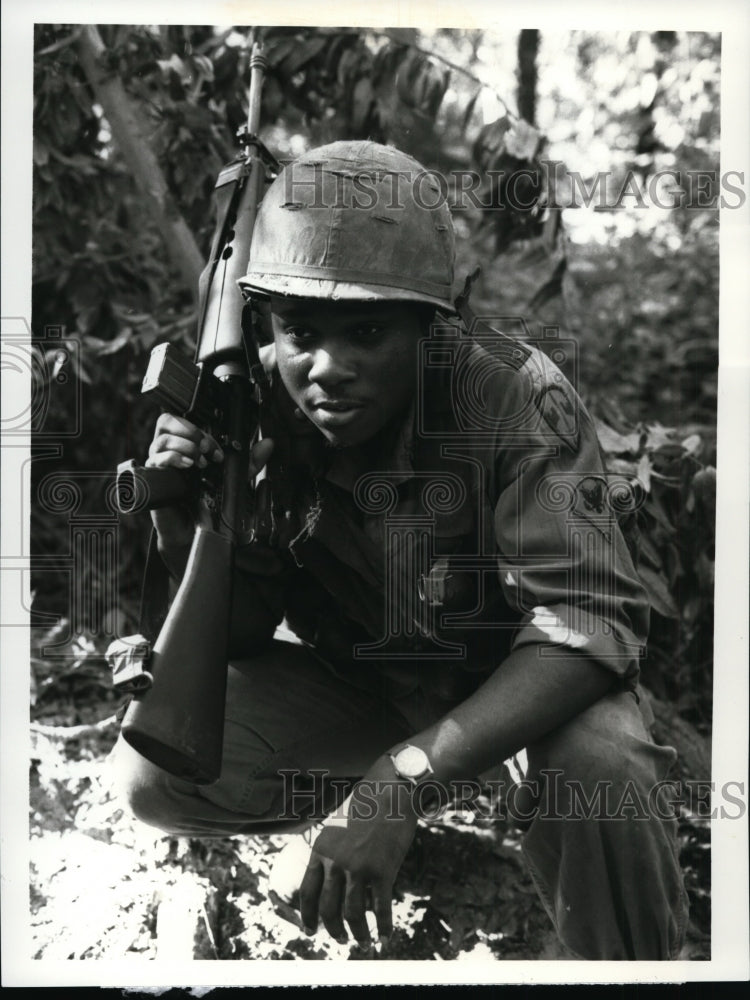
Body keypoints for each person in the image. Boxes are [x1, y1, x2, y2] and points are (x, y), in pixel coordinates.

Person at [112, 140, 689, 960]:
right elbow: (239, 631)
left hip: (516, 702)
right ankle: (359, 826)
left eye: (370, 331)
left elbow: (585, 620)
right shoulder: (257, 407)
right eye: (300, 330)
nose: (329, 368)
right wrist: (189, 516)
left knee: (603, 770)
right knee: (157, 775)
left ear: (432, 326)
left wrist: (403, 782)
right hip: (367, 690)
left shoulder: (512, 393)